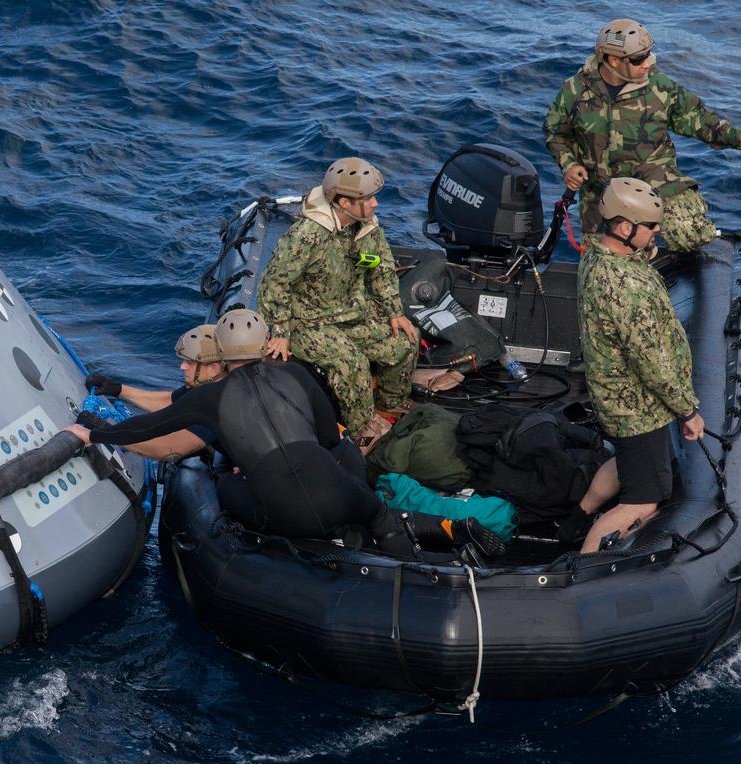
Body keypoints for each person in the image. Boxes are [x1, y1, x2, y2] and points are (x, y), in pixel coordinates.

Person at [65, 308, 503, 557]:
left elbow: (157, 437)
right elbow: (331, 441)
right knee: (377, 517)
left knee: (223, 484)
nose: (183, 368)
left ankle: (331, 540)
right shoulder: (293, 373)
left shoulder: (210, 400)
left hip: (284, 512)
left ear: (220, 358)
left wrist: (95, 435)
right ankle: (444, 541)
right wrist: (121, 389)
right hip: (341, 485)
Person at [560, 178, 704, 553]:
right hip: (638, 409)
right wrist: (687, 411)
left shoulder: (596, 254)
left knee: (628, 463)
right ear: (625, 228)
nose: (658, 232)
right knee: (640, 502)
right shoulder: (626, 288)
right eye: (651, 227)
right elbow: (653, 363)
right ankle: (582, 571)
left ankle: (576, 519)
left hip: (615, 399)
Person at [544, 18, 741, 252]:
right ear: (613, 60)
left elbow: (697, 118)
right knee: (605, 269)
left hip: (654, 180)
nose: (648, 63)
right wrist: (569, 164)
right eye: (639, 58)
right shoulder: (575, 90)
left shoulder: (659, 86)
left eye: (649, 54)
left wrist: (736, 137)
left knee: (687, 231)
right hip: (602, 193)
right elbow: (555, 131)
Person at [257, 157, 417, 437]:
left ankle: (390, 405)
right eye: (368, 199)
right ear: (344, 202)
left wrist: (395, 312)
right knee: (351, 364)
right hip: (308, 323)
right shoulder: (308, 236)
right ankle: (361, 431)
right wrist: (280, 331)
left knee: (405, 340)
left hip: (350, 313)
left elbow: (382, 269)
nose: (375, 204)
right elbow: (274, 282)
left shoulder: (366, 228)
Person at [83, 324, 226, 461]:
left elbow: (168, 449)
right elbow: (170, 402)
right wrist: (119, 389)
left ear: (213, 369)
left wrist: (100, 432)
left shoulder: (219, 403)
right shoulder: (211, 384)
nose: (182, 366)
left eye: (190, 363)